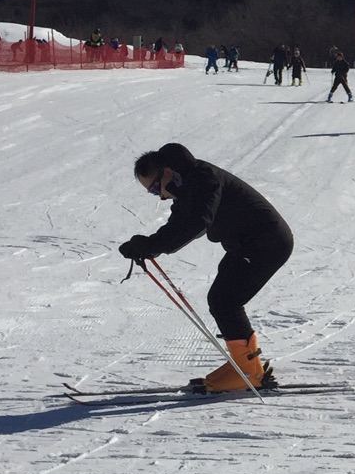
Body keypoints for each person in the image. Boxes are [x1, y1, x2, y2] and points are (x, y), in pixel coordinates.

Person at [118, 143, 294, 392]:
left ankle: (250, 372)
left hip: (266, 243)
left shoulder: (203, 178)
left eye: (156, 187)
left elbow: (197, 221)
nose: (159, 195)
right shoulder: (186, 182)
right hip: (248, 244)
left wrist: (151, 245)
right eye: (152, 192)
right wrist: (148, 245)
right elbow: (178, 223)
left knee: (225, 301)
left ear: (167, 171)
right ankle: (245, 366)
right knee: (222, 299)